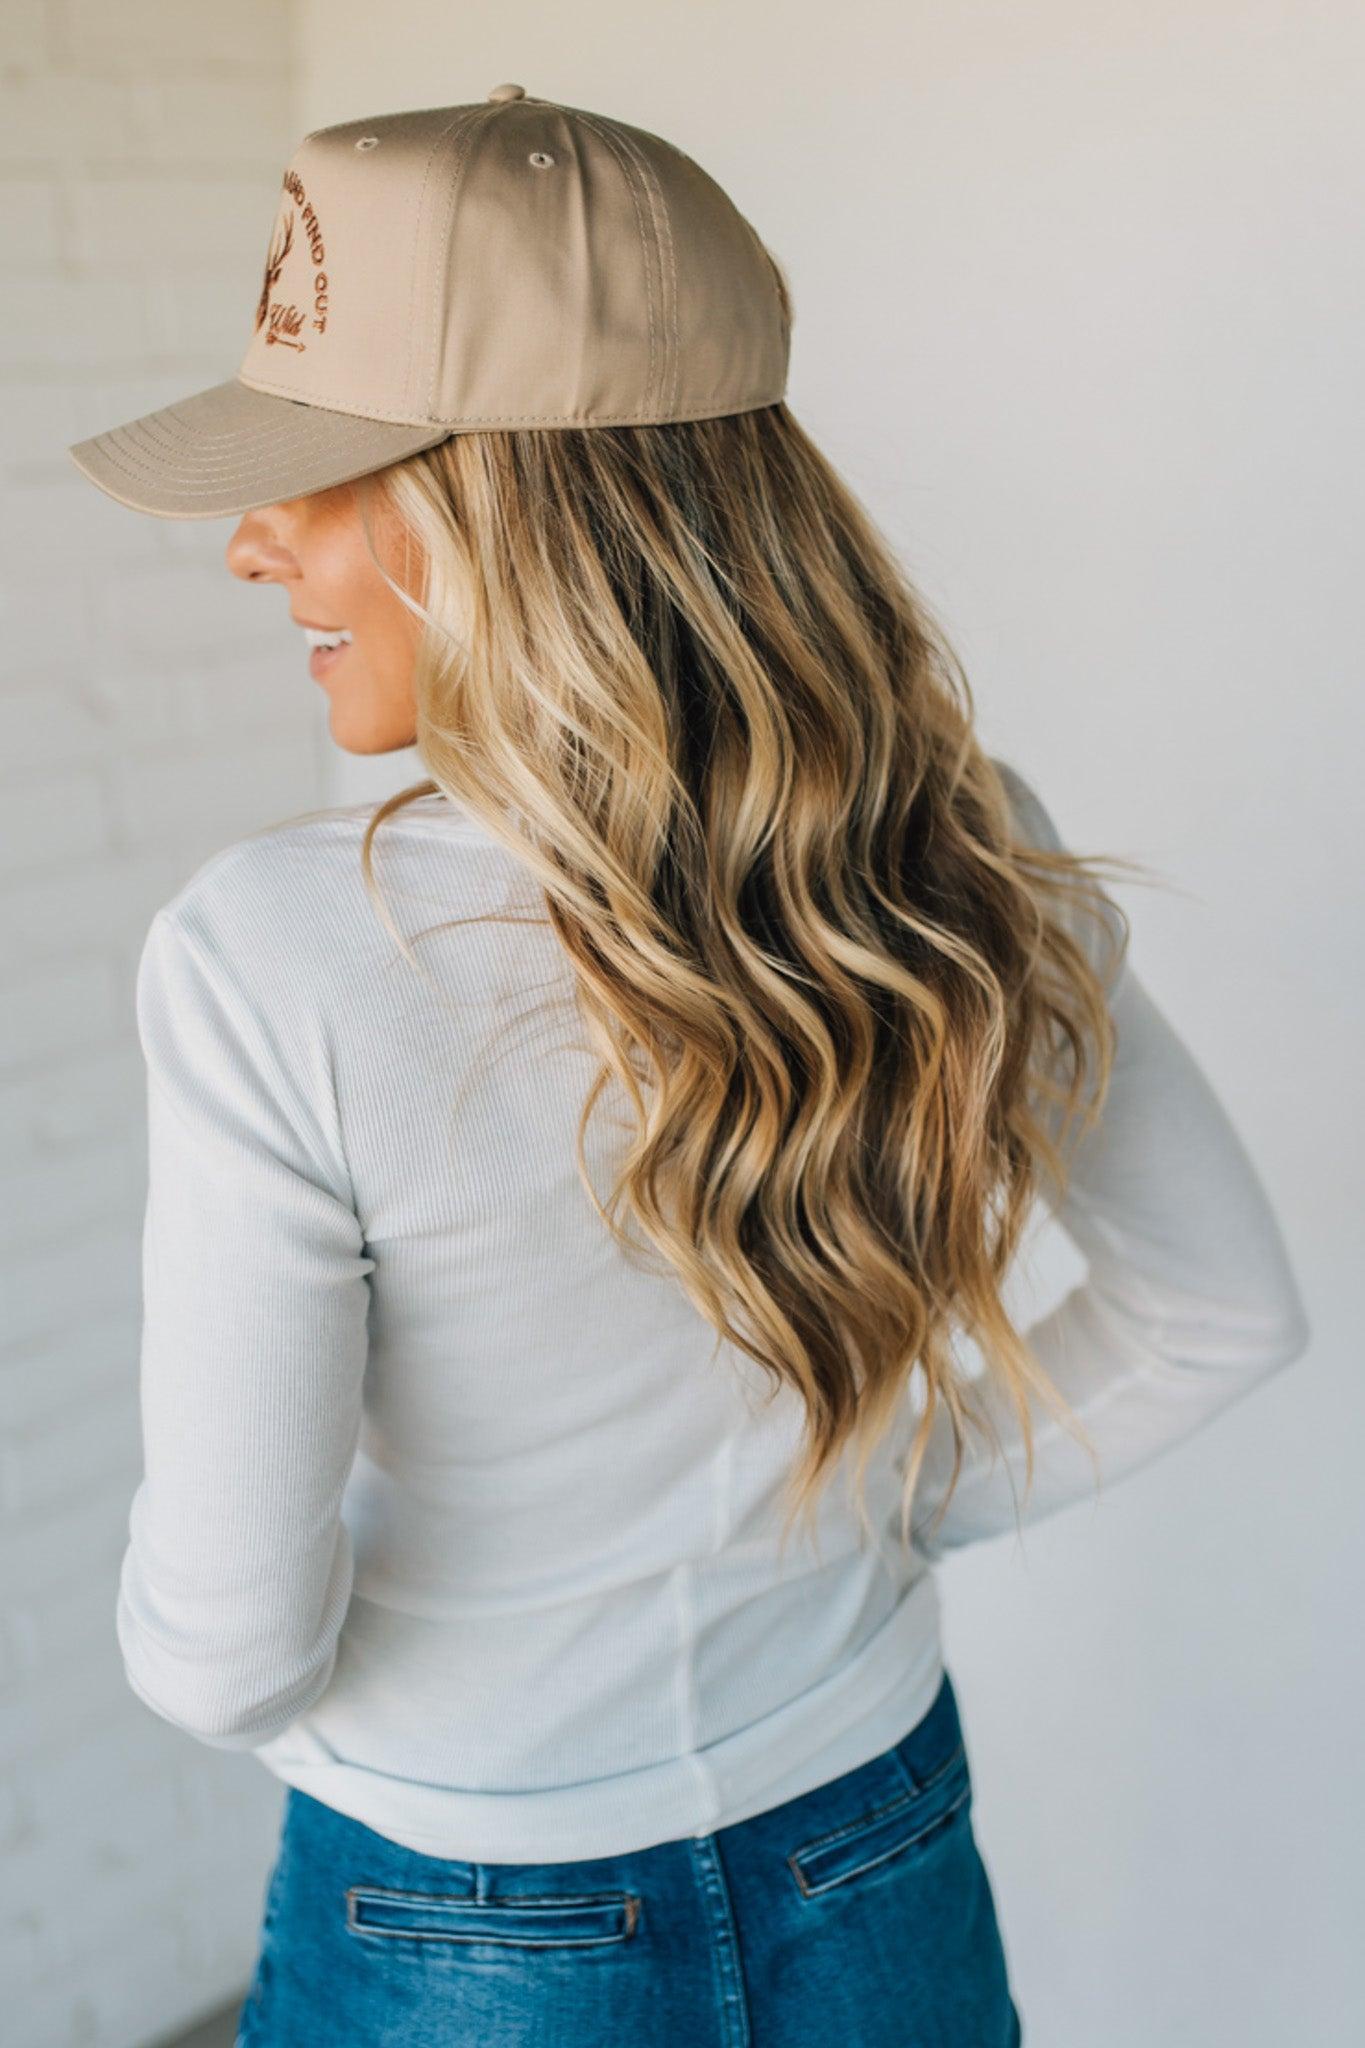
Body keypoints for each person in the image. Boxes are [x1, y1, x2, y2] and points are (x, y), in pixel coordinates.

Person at [68, 86, 1310, 2048]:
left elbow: (226, 1659)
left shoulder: (274, 957)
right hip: (872, 1837)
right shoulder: (946, 837)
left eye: (318, 468)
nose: (248, 542)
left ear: (508, 500)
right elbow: (1217, 1309)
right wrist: (886, 1507)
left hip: (459, 1916)